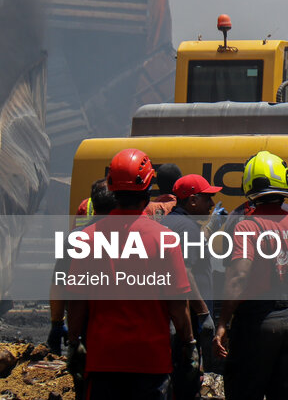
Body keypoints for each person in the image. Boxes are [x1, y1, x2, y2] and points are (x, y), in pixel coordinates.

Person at [65, 148, 198, 400]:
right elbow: (178, 305)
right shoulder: (164, 240)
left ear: (113, 190)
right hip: (151, 363)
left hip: (103, 361)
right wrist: (189, 343)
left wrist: (74, 342)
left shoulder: (87, 239)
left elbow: (76, 300)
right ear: (148, 192)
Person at [213, 150, 288, 400]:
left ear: (249, 184)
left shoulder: (247, 226)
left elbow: (237, 278)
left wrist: (223, 323)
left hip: (256, 324)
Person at [162, 174, 221, 395]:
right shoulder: (187, 227)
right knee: (187, 382)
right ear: (193, 200)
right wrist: (203, 314)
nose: (212, 204)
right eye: (208, 198)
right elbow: (185, 273)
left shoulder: (170, 222)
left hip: (174, 318)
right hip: (187, 319)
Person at [48, 178, 116, 356]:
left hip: (85, 326)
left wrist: (57, 323)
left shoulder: (75, 239)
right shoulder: (135, 236)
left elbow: (59, 283)